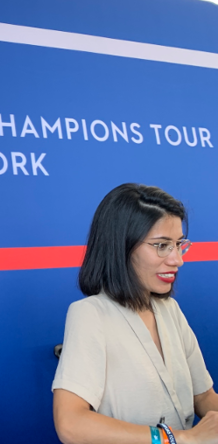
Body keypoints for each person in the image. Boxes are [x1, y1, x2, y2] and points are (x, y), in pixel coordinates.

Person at [53, 183, 218, 444]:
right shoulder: (90, 314)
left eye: (178, 244)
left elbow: (203, 396)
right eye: (162, 245)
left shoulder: (170, 310)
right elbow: (70, 424)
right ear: (121, 247)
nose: (177, 259)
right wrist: (177, 439)